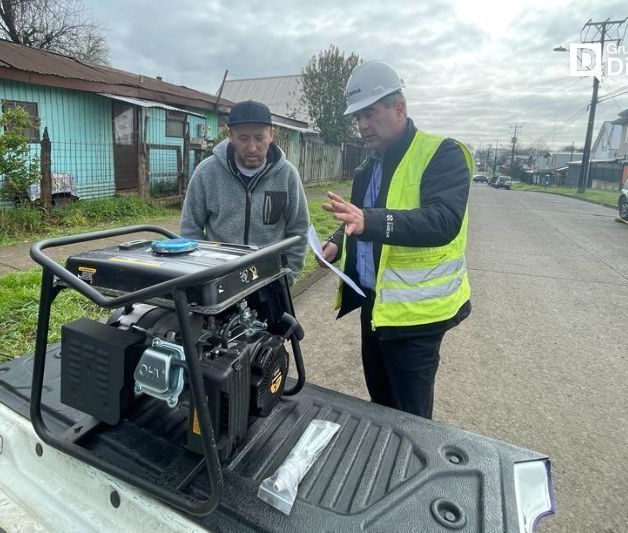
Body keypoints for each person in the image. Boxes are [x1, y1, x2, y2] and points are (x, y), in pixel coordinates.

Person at [320, 61, 473, 419]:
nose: (361, 125)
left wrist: (368, 220)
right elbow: (357, 218)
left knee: (412, 417)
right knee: (382, 405)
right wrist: (337, 241)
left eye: (369, 114)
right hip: (375, 306)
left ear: (399, 109)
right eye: (357, 117)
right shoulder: (368, 166)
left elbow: (443, 221)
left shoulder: (442, 154)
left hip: (417, 318)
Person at [181, 100, 309, 277]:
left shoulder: (287, 175)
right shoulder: (207, 172)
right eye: (243, 138)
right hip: (220, 278)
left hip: (270, 279)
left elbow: (299, 230)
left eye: (259, 138)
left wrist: (289, 276)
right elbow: (190, 227)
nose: (252, 147)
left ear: (271, 134)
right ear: (231, 135)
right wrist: (204, 273)